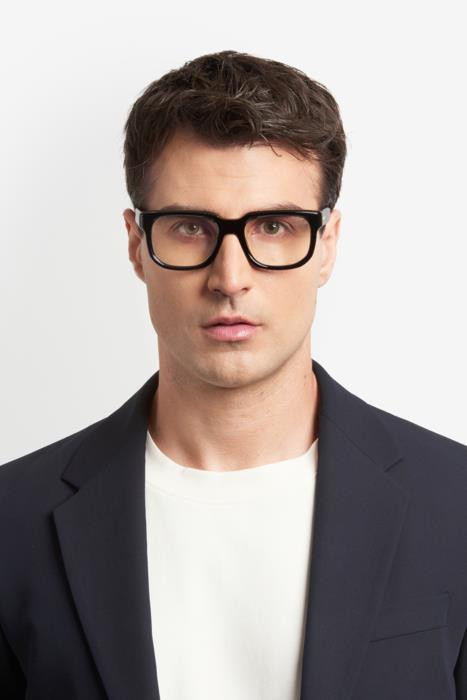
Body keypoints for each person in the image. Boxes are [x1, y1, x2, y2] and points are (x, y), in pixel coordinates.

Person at [0, 49, 466, 700]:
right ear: (137, 245)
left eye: (273, 226)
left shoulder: (454, 503)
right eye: (190, 227)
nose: (229, 278)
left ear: (326, 245)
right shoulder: (13, 520)